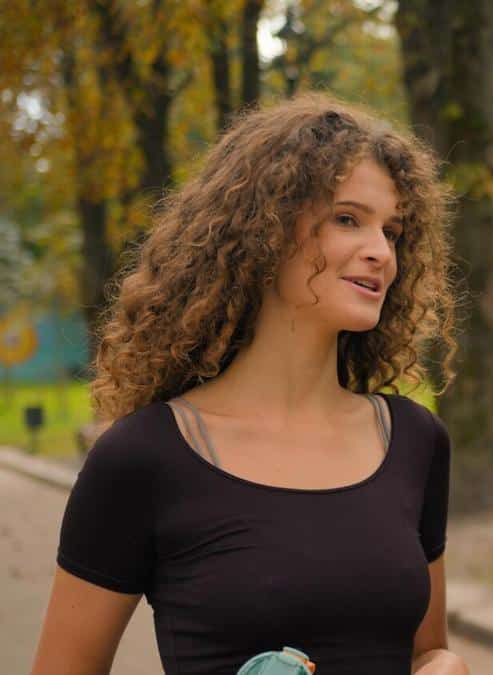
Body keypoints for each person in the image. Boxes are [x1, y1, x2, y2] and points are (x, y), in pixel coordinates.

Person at [31, 94, 468, 675]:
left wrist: (445, 666)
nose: (381, 252)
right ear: (267, 229)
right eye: (348, 219)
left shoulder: (414, 439)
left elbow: (424, 651)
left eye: (392, 231)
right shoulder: (143, 457)